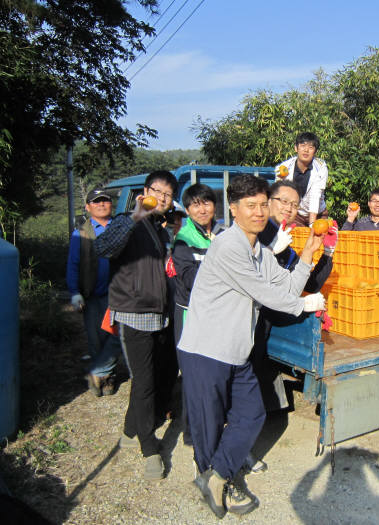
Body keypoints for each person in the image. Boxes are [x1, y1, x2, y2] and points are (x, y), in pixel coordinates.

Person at [177, 174, 326, 517]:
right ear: (233, 208)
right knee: (208, 423)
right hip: (205, 350)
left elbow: (285, 286)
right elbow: (270, 296)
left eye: (263, 205)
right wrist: (307, 304)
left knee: (252, 413)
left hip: (236, 350)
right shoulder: (227, 246)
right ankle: (214, 478)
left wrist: (305, 257)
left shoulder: (258, 250)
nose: (259, 213)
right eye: (250, 206)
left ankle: (218, 475)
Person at [94, 170, 180, 481]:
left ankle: (131, 430)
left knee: (154, 375)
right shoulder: (125, 221)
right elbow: (104, 248)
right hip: (133, 314)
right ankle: (149, 449)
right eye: (158, 191)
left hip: (158, 313)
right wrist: (133, 217)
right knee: (144, 382)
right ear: (145, 191)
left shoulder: (159, 229)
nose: (163, 198)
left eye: (169, 195)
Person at [254, 179, 335, 411]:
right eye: (284, 201)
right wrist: (269, 251)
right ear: (269, 202)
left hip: (264, 321)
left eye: (295, 204)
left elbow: (304, 283)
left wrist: (325, 253)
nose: (289, 208)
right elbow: (250, 278)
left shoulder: (285, 242)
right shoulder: (255, 233)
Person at [171, 183, 225, 446]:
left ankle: (214, 424)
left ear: (214, 205)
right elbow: (191, 279)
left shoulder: (222, 232)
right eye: (195, 204)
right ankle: (192, 433)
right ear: (188, 209)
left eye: (206, 202)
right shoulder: (183, 239)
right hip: (190, 318)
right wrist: (217, 257)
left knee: (214, 374)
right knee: (192, 376)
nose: (202, 209)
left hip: (217, 316)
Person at [66, 187, 122, 397]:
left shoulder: (121, 228)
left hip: (119, 294)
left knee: (116, 335)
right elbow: (73, 264)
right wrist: (74, 292)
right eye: (96, 202)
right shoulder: (80, 234)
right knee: (96, 338)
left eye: (105, 201)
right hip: (94, 295)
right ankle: (104, 379)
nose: (101, 204)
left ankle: (104, 373)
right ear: (88, 207)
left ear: (111, 204)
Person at [276, 132, 328, 226]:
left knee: (319, 236)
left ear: (315, 152)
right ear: (296, 148)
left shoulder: (321, 168)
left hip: (318, 214)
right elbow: (279, 194)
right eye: (303, 146)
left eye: (311, 147)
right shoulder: (285, 167)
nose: (306, 150)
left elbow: (315, 195)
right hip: (296, 214)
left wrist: (312, 224)